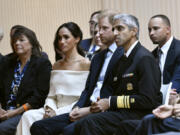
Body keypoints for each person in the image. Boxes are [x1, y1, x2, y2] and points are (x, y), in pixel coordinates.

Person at [30, 9, 123, 135]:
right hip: (86, 106)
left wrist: (89, 110)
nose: (98, 33)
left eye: (104, 28)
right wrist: (77, 108)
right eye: (98, 28)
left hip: (103, 109)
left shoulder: (123, 55)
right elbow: (88, 89)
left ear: (116, 29)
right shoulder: (98, 57)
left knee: (68, 131)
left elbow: (116, 91)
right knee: (38, 127)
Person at [74, 13, 161, 135]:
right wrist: (102, 102)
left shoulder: (144, 58)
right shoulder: (123, 59)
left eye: (120, 28)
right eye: (114, 29)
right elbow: (118, 92)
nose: (115, 33)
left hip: (139, 114)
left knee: (90, 122)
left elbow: (148, 100)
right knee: (81, 123)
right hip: (123, 112)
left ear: (133, 31)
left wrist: (110, 102)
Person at [16, 22, 90, 135]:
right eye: (59, 38)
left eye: (66, 37)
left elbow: (84, 97)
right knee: (28, 116)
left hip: (73, 110)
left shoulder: (86, 64)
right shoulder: (56, 65)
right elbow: (51, 95)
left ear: (77, 39)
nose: (61, 41)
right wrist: (49, 108)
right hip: (53, 107)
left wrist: (56, 112)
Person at [0, 26, 51, 135]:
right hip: (5, 110)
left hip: (25, 111)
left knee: (2, 129)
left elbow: (39, 97)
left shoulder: (42, 63)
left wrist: (14, 113)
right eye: (14, 41)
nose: (17, 43)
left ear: (32, 43)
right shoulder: (8, 62)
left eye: (21, 40)